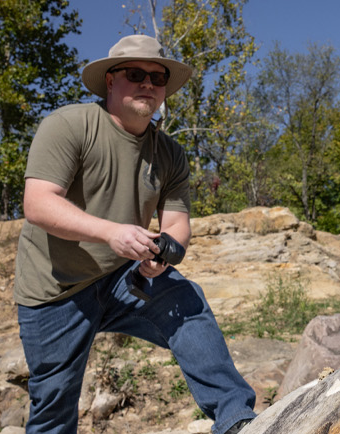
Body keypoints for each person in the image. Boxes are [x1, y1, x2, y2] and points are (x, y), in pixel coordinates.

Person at [15, 34, 257, 434]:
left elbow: (177, 224)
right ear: (111, 81)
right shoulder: (69, 125)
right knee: (53, 410)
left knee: (186, 302)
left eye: (158, 77)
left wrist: (165, 253)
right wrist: (111, 233)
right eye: (135, 74)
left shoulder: (170, 154)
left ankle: (237, 420)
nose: (148, 83)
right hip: (54, 291)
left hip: (123, 277)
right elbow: (38, 204)